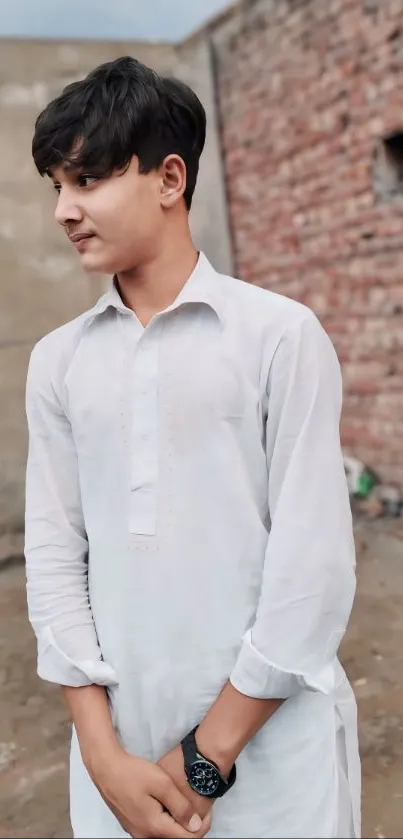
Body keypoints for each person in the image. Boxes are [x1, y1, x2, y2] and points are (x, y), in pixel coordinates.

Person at [24, 56, 361, 839]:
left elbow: (311, 566)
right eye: (56, 188)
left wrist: (205, 757)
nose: (65, 211)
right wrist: (102, 756)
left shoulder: (278, 336)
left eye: (88, 180)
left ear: (169, 178)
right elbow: (52, 553)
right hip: (116, 763)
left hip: (274, 761)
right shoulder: (58, 360)